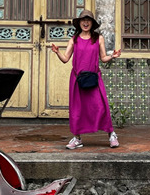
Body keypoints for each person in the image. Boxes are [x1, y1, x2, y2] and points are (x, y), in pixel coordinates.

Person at [51, 9, 121, 149]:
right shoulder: (74, 39)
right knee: (77, 110)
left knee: (101, 107)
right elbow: (65, 59)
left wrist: (112, 56)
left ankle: (111, 134)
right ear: (79, 23)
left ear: (92, 23)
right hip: (78, 80)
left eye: (88, 20)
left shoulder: (98, 38)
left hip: (94, 78)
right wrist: (57, 52)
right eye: (83, 20)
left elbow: (103, 58)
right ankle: (77, 138)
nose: (86, 23)